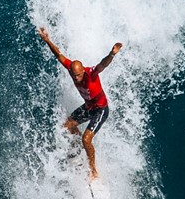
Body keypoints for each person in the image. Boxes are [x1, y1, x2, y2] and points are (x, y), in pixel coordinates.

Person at [37, 27, 122, 181]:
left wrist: (111, 54)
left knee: (86, 139)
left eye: (77, 75)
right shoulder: (71, 69)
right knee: (67, 126)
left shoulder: (91, 74)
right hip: (89, 107)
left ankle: (94, 171)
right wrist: (47, 39)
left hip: (100, 110)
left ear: (83, 70)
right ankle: (80, 151)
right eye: (73, 75)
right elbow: (59, 55)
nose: (75, 78)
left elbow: (103, 64)